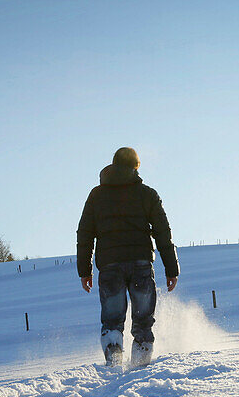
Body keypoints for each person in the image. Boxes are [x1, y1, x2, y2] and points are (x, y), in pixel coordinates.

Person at [77, 147, 179, 367]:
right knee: (143, 322)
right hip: (141, 263)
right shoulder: (147, 194)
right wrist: (172, 269)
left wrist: (84, 271)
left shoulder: (97, 195)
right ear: (135, 166)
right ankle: (140, 367)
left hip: (110, 266)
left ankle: (113, 362)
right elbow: (163, 232)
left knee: (112, 321)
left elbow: (85, 235)